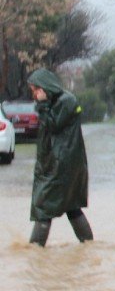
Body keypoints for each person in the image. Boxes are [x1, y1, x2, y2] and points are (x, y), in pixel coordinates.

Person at [26, 68, 94, 247]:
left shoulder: (66, 101)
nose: (34, 94)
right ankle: (88, 246)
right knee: (71, 206)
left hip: (61, 165)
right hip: (56, 163)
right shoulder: (55, 101)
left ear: (44, 87)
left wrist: (42, 105)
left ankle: (34, 252)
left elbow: (53, 125)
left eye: (35, 89)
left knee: (44, 207)